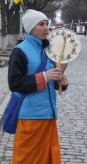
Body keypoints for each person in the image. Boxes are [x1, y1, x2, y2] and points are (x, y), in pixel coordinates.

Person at [8, 9, 68, 164]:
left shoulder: (48, 50)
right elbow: (14, 83)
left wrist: (60, 82)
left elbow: (51, 80)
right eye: (41, 24)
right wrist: (44, 76)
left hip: (49, 115)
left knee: (47, 158)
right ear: (30, 28)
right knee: (26, 159)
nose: (46, 27)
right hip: (30, 117)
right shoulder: (19, 51)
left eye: (47, 23)